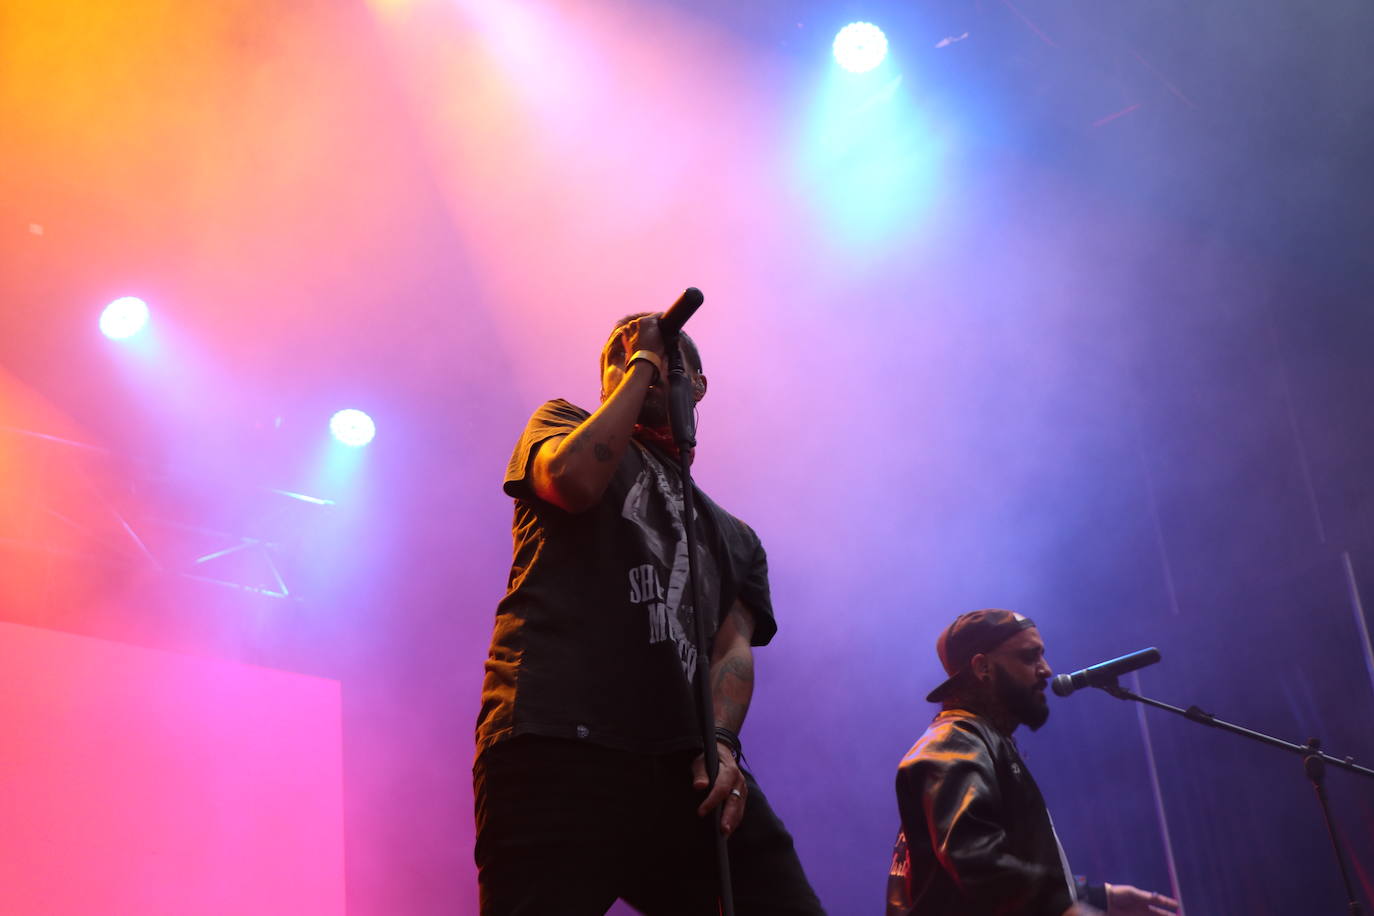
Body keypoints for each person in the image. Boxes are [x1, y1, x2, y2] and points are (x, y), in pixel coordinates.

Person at [474, 312, 824, 915]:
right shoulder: (561, 424)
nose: (650, 363)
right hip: (559, 744)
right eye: (624, 355)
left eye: (668, 359)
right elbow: (574, 481)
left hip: (683, 766)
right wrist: (642, 361)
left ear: (701, 385)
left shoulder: (736, 537)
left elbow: (731, 649)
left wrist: (721, 744)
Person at [887, 609, 1181, 916]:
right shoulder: (952, 745)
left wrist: (1094, 897)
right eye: (1030, 657)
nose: (1047, 670)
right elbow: (976, 862)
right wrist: (1066, 912)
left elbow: (968, 876)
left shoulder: (977, 741)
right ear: (983, 667)